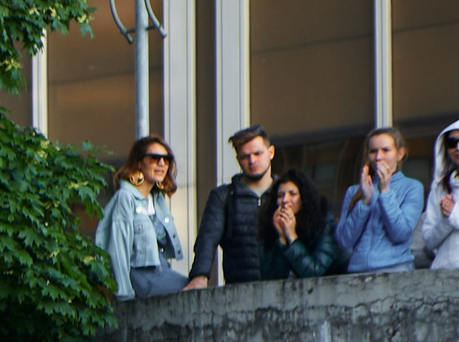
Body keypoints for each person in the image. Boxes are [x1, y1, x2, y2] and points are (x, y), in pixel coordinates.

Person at [185, 125, 278, 288]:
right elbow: (208, 238)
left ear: (271, 152)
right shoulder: (224, 196)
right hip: (240, 290)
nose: (251, 161)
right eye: (244, 156)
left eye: (257, 153)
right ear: (238, 159)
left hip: (286, 288)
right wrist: (200, 275)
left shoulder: (287, 194)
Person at [96, 136, 188, 298]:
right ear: (139, 162)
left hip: (161, 271)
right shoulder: (125, 197)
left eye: (166, 159)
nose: (161, 164)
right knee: (191, 289)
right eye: (155, 158)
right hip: (139, 277)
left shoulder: (158, 200)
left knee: (196, 285)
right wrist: (124, 293)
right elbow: (118, 250)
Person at [333, 127, 422, 276]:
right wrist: (365, 203)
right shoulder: (355, 191)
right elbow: (344, 241)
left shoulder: (412, 187)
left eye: (385, 150)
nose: (378, 157)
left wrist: (385, 192)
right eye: (373, 151)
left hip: (395, 271)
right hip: (358, 273)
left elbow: (401, 234)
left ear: (400, 153)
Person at [260, 169, 342, 280]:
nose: (285, 200)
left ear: (303, 197)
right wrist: (282, 239)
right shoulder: (271, 226)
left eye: (292, 194)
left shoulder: (324, 221)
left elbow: (314, 272)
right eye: (280, 195)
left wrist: (292, 237)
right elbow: (271, 279)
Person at [418, 120, 459, 271]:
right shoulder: (440, 188)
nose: (457, 147)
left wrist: (453, 213)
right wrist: (447, 221)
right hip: (445, 269)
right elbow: (429, 240)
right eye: (452, 143)